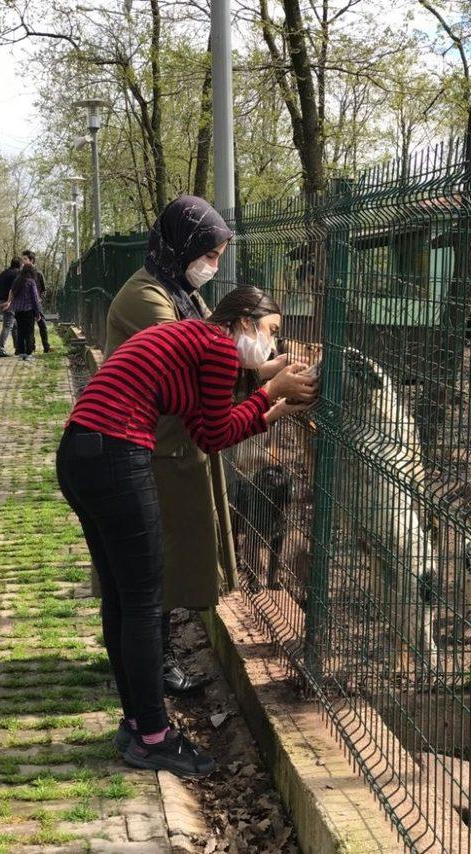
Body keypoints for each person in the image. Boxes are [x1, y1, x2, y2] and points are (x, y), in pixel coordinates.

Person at [56, 286, 317, 778]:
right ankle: (154, 736)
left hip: (79, 454)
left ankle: (137, 724)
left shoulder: (188, 336)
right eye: (272, 332)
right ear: (244, 321)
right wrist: (269, 392)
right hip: (117, 456)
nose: (273, 346)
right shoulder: (218, 348)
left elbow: (206, 430)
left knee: (120, 597)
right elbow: (216, 435)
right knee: (143, 602)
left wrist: (272, 409)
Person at [105, 195, 293, 695]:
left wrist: (263, 370)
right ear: (180, 243)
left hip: (170, 444)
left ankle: (141, 661)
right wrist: (266, 388)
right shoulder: (147, 297)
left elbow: (218, 349)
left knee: (159, 563)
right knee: (153, 566)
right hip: (148, 447)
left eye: (217, 255)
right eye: (208, 253)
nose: (213, 265)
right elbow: (194, 359)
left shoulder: (181, 293)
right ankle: (150, 667)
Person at [2, 262, 41, 360]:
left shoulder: (17, 281)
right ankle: (29, 353)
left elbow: (12, 293)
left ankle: (21, 353)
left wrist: (9, 303)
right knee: (29, 332)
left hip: (18, 311)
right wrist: (37, 313)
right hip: (28, 310)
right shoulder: (31, 282)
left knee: (20, 332)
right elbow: (35, 299)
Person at [21, 249, 51, 353]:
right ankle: (31, 347)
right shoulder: (22, 274)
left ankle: (46, 346)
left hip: (37, 303)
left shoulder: (38, 274)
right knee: (29, 328)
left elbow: (43, 290)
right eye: (22, 259)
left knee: (42, 324)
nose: (23, 262)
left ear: (32, 260)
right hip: (26, 305)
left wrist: (39, 298)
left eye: (25, 259)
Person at [0, 257, 21, 357]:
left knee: (14, 324)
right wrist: (9, 301)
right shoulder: (17, 274)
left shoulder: (4, 273)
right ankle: (0, 349)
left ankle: (18, 348)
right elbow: (13, 289)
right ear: (20, 265)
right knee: (8, 325)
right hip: (7, 301)